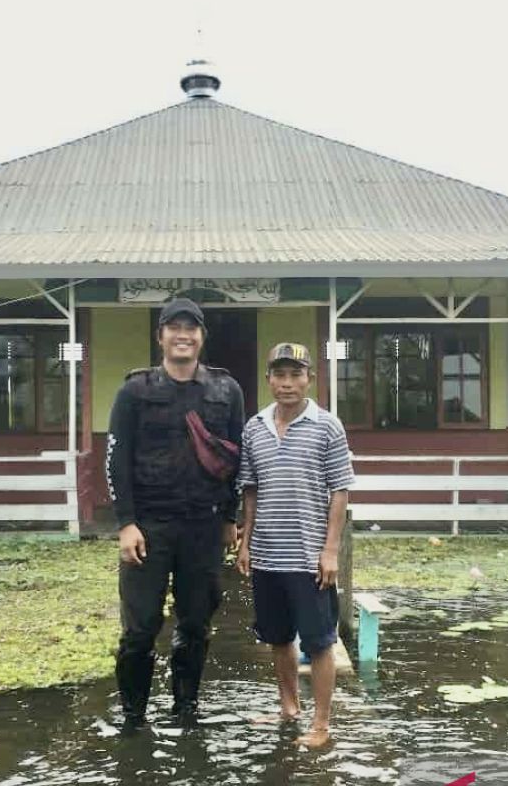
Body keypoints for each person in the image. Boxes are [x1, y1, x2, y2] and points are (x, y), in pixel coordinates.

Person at [106, 297, 245, 730]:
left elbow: (238, 459)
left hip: (203, 527)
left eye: (191, 328)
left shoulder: (226, 391)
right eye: (174, 327)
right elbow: (116, 460)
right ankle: (134, 717)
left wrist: (229, 518)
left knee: (196, 623)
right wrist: (126, 523)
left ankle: (186, 710)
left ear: (202, 337)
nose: (182, 335)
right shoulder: (134, 391)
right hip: (149, 526)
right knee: (140, 629)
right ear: (161, 336)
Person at [235, 342, 355, 749]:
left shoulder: (327, 426)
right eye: (279, 375)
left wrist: (330, 550)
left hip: (309, 556)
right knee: (278, 637)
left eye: (296, 375)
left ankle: (321, 724)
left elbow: (339, 489)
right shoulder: (254, 427)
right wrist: (245, 542)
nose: (287, 384)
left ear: (309, 378)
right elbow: (249, 489)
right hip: (268, 554)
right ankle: (289, 707)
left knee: (320, 640)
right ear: (268, 378)